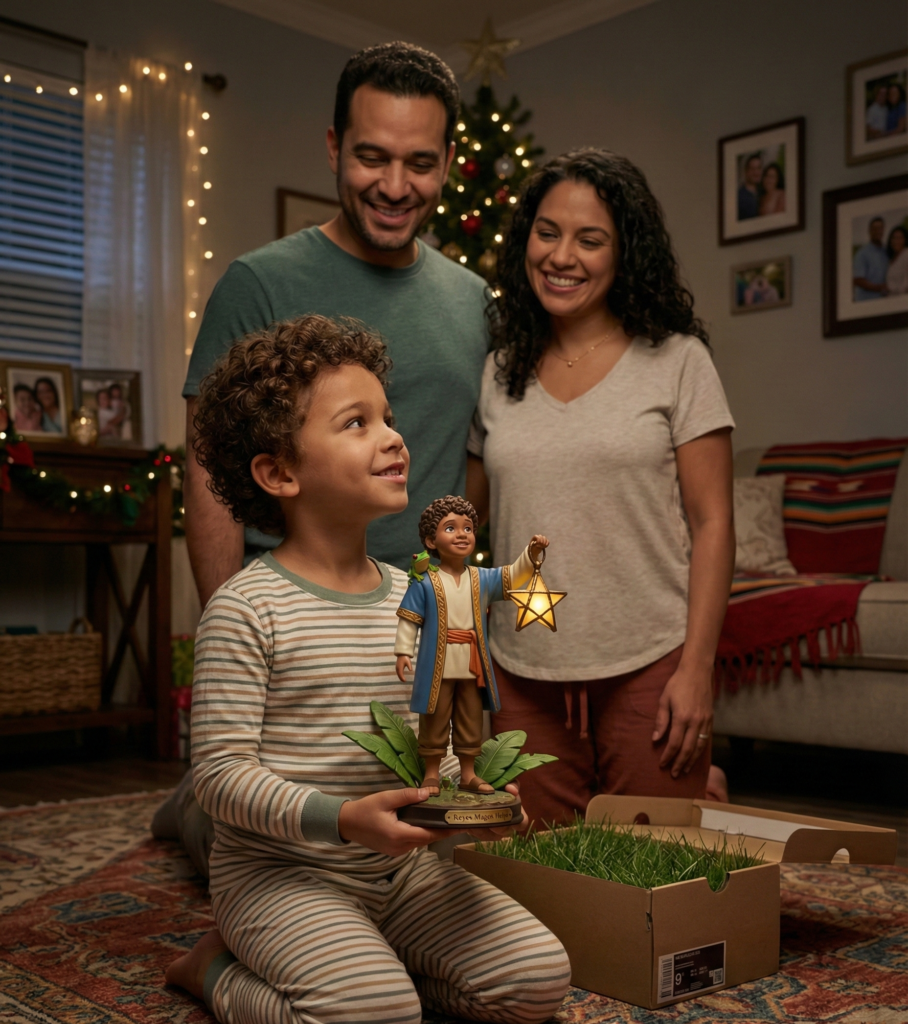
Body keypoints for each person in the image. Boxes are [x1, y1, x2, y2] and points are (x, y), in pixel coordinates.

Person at [164, 315, 570, 1024]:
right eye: (356, 423)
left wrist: (469, 803)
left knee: (540, 980)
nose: (393, 437)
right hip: (281, 875)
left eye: (388, 417)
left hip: (403, 872)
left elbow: (428, 742)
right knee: (373, 1014)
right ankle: (217, 969)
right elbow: (220, 778)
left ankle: (373, 966)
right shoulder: (245, 607)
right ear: (279, 472)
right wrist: (344, 819)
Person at [466, 148, 735, 826]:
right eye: (548, 231)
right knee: (533, 887)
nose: (563, 256)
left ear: (625, 255)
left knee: (656, 885)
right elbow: (467, 526)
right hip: (523, 669)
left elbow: (713, 524)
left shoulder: (678, 361)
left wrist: (696, 671)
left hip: (651, 661)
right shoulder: (496, 373)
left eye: (591, 240)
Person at [182, 41, 489, 612]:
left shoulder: (473, 300)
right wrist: (228, 629)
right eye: (372, 157)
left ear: (446, 162)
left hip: (429, 624)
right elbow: (207, 472)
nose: (395, 187)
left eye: (419, 163)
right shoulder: (258, 282)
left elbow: (480, 462)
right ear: (334, 147)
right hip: (289, 620)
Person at [395, 494, 546, 794]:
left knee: (469, 719)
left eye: (468, 528)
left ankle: (468, 774)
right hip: (436, 665)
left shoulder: (481, 578)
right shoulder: (425, 582)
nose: (462, 534)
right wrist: (403, 650)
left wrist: (531, 554)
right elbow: (410, 618)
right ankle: (432, 774)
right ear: (430, 541)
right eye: (450, 528)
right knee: (434, 719)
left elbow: (512, 576)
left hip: (472, 665)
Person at [853, 216, 890, 300]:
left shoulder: (887, 251)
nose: (878, 231)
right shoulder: (862, 253)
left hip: (884, 302)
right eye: (875, 228)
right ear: (869, 231)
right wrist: (880, 288)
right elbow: (858, 280)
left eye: (880, 228)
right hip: (866, 302)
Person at [737, 152, 762, 220]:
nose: (756, 172)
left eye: (758, 168)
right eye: (752, 169)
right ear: (746, 171)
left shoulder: (763, 192)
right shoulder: (739, 196)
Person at [886, 224, 908, 295]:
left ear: (905, 240)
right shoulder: (891, 260)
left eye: (899, 238)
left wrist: (890, 288)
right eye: (894, 238)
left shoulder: (906, 254)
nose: (896, 241)